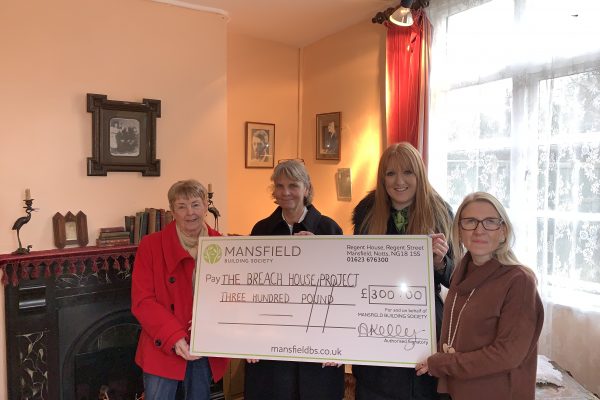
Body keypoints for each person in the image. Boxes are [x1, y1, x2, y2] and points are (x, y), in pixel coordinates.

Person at [415, 192, 544, 400]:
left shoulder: (519, 281)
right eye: (470, 222)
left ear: (503, 231)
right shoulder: (461, 272)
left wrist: (442, 363)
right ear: (459, 231)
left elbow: (506, 355)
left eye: (490, 222)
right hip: (457, 390)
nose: (479, 230)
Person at [351, 142, 454, 400]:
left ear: (419, 174)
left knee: (422, 387)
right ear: (382, 178)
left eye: (408, 172)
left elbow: (456, 277)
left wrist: (441, 262)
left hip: (424, 322)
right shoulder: (366, 213)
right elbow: (354, 268)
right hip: (375, 320)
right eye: (391, 173)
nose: (400, 181)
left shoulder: (440, 212)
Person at [244, 159, 345, 400]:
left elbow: (344, 288)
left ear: (307, 188)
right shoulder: (261, 230)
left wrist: (319, 251)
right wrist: (246, 335)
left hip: (318, 342)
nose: (286, 192)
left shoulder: (329, 229)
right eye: (279, 186)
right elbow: (250, 287)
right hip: (271, 342)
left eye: (293, 185)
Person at [131, 179, 229, 400]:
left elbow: (230, 297)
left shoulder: (222, 245)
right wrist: (175, 337)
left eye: (195, 204)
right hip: (163, 345)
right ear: (172, 211)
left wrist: (210, 323)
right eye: (181, 206)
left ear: (206, 206)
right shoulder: (151, 246)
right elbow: (143, 301)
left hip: (203, 343)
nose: (189, 213)